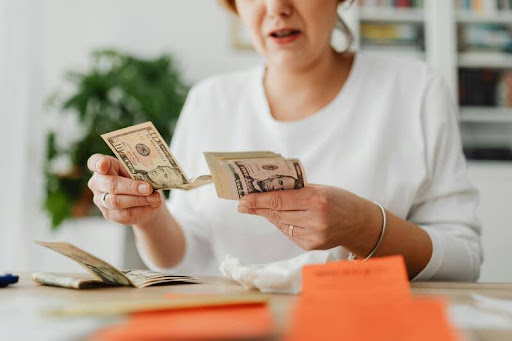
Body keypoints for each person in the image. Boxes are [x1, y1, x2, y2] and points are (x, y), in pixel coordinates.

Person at [87, 0, 482, 281]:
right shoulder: (210, 100)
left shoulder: (416, 91)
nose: (276, 6)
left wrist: (363, 227)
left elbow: (465, 258)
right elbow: (185, 258)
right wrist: (149, 217)